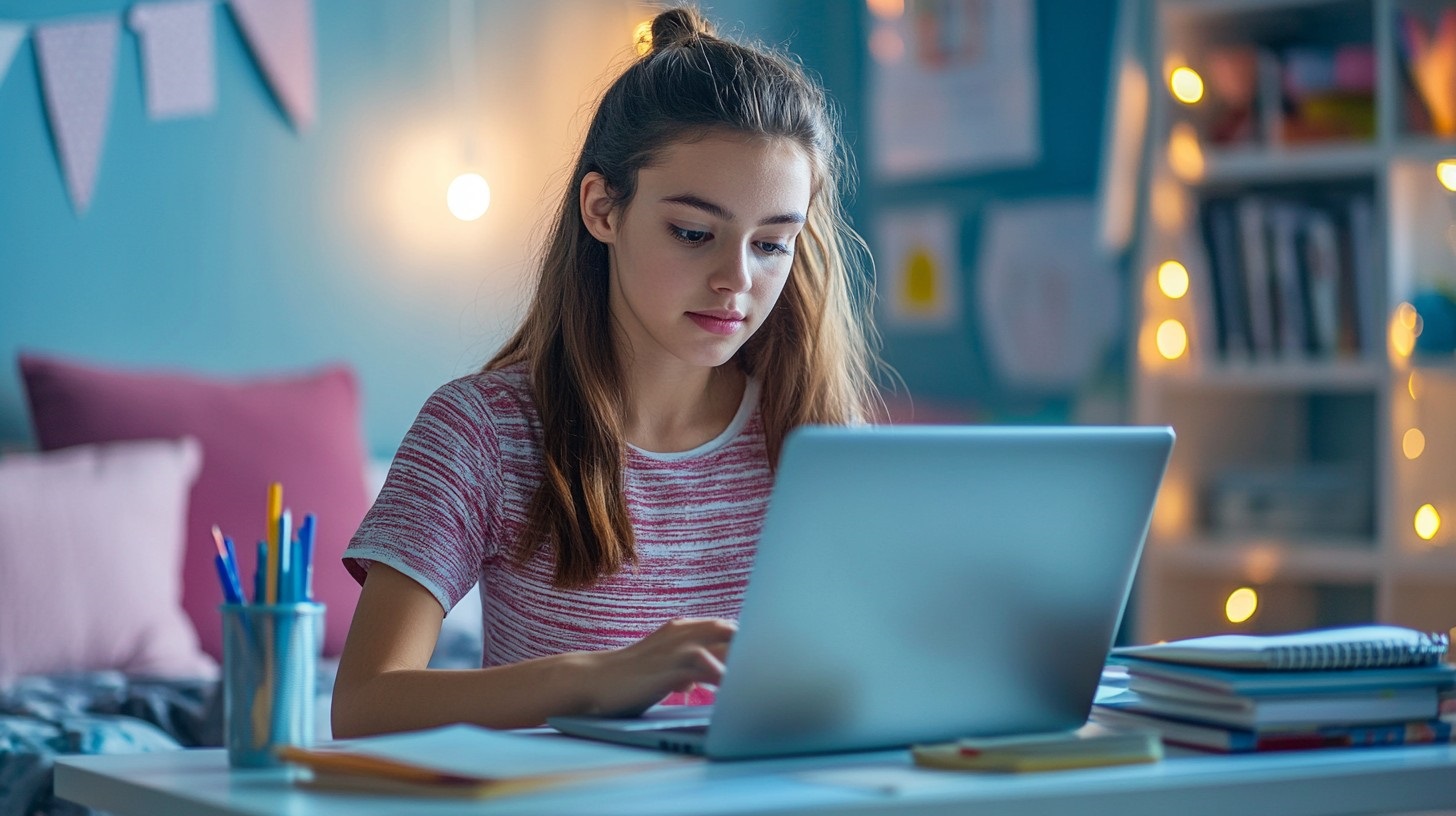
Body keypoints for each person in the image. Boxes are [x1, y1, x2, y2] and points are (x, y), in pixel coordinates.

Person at [331, 5, 884, 738]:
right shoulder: (481, 432)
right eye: (694, 234)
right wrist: (601, 679)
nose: (736, 279)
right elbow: (365, 706)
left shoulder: (812, 437)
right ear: (602, 208)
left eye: (772, 244)